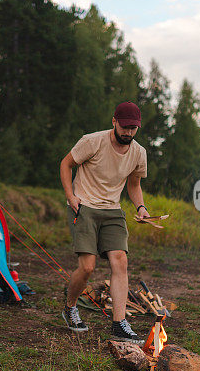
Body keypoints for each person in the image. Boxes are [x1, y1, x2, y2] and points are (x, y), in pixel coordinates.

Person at [59, 101, 152, 344]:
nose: (128, 133)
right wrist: (71, 197)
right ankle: (69, 307)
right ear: (114, 122)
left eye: (133, 128)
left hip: (113, 210)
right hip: (85, 206)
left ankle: (119, 324)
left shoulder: (138, 153)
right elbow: (66, 164)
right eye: (124, 127)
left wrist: (141, 207)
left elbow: (134, 185)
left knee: (120, 260)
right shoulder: (92, 141)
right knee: (87, 267)